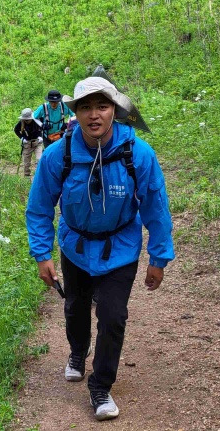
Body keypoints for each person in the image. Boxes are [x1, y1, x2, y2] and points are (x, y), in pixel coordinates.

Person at [25, 75, 173, 422]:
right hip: (75, 246)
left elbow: (155, 205)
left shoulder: (137, 153)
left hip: (120, 247)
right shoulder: (57, 155)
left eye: (102, 106)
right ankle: (78, 352)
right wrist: (42, 254)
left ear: (114, 111)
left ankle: (100, 386)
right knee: (75, 307)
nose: (95, 115)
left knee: (112, 315)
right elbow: (40, 207)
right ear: (75, 112)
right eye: (86, 107)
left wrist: (159, 257)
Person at [13, 107, 44, 177]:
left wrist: (40, 136)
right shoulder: (21, 122)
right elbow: (16, 130)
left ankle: (38, 176)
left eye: (28, 120)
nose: (26, 121)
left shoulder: (37, 120)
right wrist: (22, 138)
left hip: (37, 143)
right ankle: (27, 176)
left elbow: (43, 127)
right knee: (26, 163)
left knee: (39, 160)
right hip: (27, 144)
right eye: (25, 120)